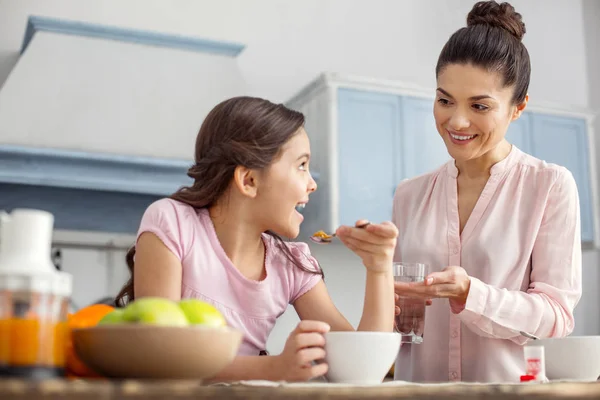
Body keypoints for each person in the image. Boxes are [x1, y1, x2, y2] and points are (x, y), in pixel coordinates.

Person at [115, 96, 398, 382]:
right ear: (249, 181)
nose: (312, 184)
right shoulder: (173, 223)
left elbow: (360, 370)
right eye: (301, 165)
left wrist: (379, 267)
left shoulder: (291, 263)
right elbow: (159, 357)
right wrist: (274, 368)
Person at [391, 0, 582, 383]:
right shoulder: (408, 195)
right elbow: (399, 320)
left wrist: (471, 295)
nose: (456, 121)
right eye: (445, 100)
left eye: (479, 106)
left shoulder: (548, 185)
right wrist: (384, 292)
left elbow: (556, 316)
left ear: (518, 108)